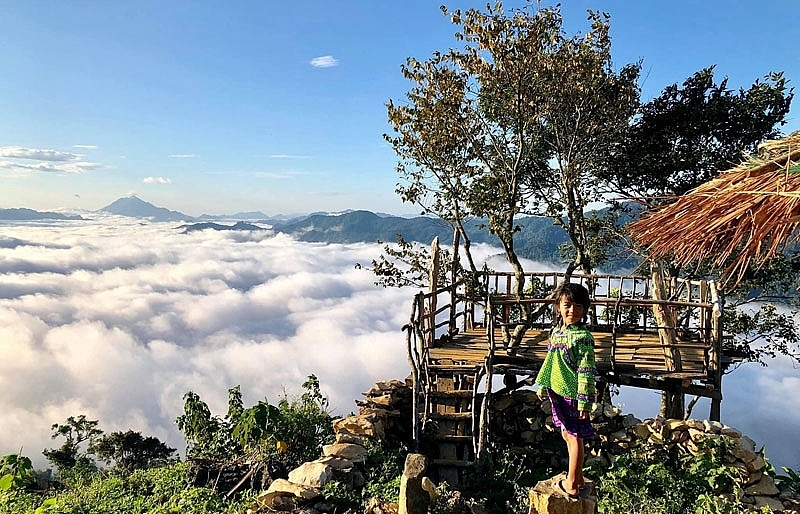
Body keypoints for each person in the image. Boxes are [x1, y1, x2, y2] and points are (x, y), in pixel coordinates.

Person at [534, 281, 596, 499]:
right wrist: (543, 384)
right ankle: (577, 479)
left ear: (585, 309)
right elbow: (550, 362)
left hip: (573, 395)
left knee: (573, 437)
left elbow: (586, 371)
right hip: (558, 392)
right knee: (568, 435)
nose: (572, 311)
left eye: (578, 306)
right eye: (567, 305)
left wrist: (584, 402)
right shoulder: (557, 333)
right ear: (558, 307)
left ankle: (571, 484)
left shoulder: (583, 338)